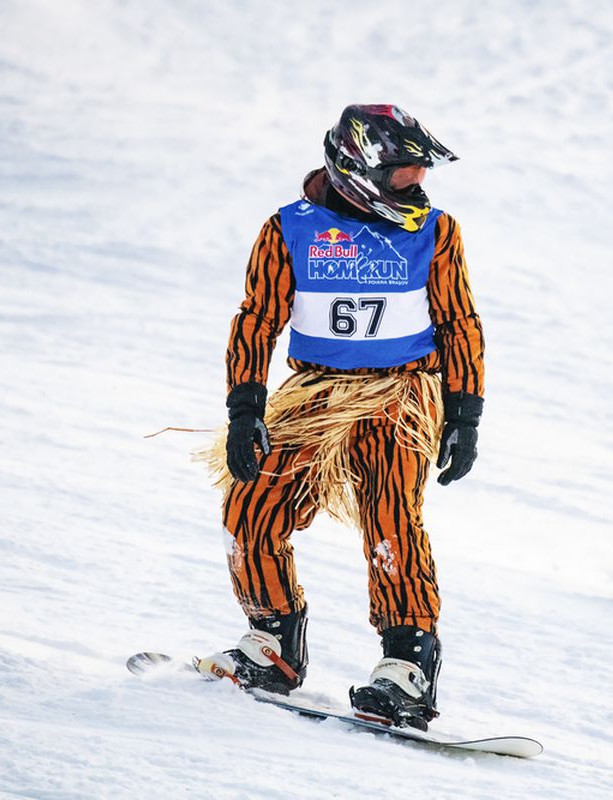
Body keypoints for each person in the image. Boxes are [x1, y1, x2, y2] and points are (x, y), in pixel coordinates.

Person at [196, 104, 485, 729]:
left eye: (420, 173)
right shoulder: (290, 230)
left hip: (400, 396)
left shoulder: (436, 231)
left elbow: (459, 320)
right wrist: (246, 405)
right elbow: (257, 318)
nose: (418, 185)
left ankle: (406, 665)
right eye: (403, 174)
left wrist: (465, 413)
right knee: (252, 509)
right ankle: (274, 641)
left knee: (391, 520)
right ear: (356, 170)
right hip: (317, 395)